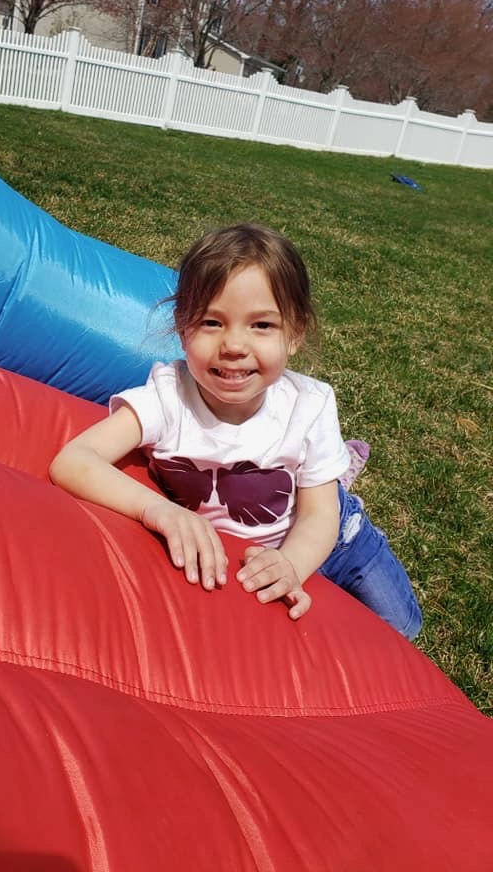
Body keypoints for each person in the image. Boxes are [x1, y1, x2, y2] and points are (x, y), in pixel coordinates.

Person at [49, 223, 422, 640]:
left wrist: (293, 564)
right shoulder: (167, 399)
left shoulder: (308, 405)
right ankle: (328, 465)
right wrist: (157, 509)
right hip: (247, 548)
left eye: (261, 326)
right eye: (212, 322)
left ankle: (332, 472)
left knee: (400, 627)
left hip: (333, 537)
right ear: (182, 326)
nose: (233, 345)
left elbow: (319, 517)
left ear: (294, 333)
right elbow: (74, 459)